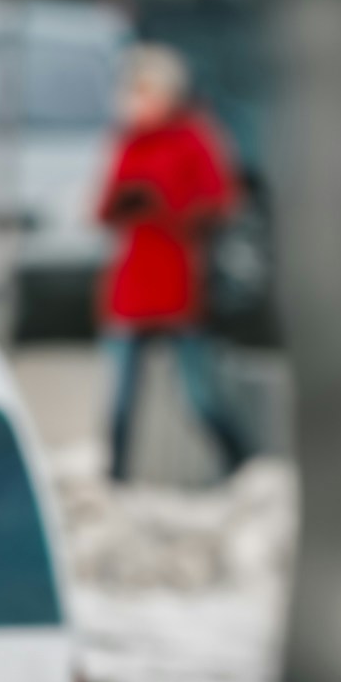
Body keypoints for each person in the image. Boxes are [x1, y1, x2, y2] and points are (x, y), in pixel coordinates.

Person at [96, 41, 257, 481]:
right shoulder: (129, 141)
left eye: (145, 91)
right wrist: (124, 204)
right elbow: (102, 209)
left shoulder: (193, 137)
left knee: (199, 394)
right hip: (131, 288)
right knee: (120, 400)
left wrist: (163, 205)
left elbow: (220, 202)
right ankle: (116, 481)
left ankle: (246, 468)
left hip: (179, 285)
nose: (136, 100)